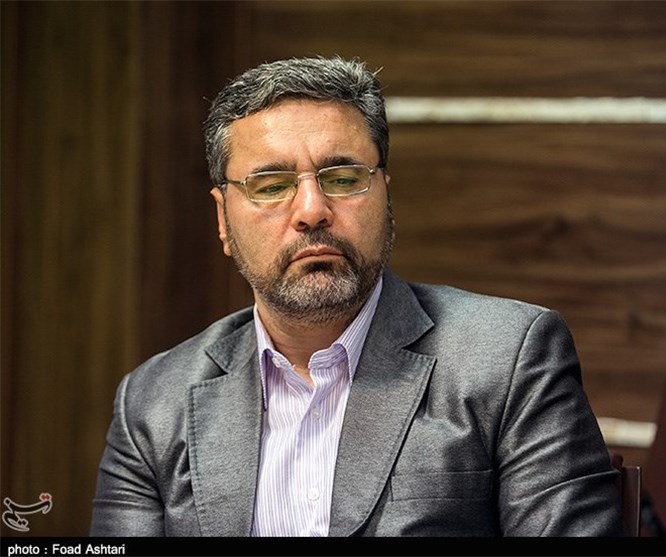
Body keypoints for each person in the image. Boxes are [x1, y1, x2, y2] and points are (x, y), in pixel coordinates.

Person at [90, 56, 625, 537]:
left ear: (386, 197)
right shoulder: (153, 402)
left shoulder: (508, 358)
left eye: (343, 178)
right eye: (271, 186)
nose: (311, 211)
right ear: (223, 220)